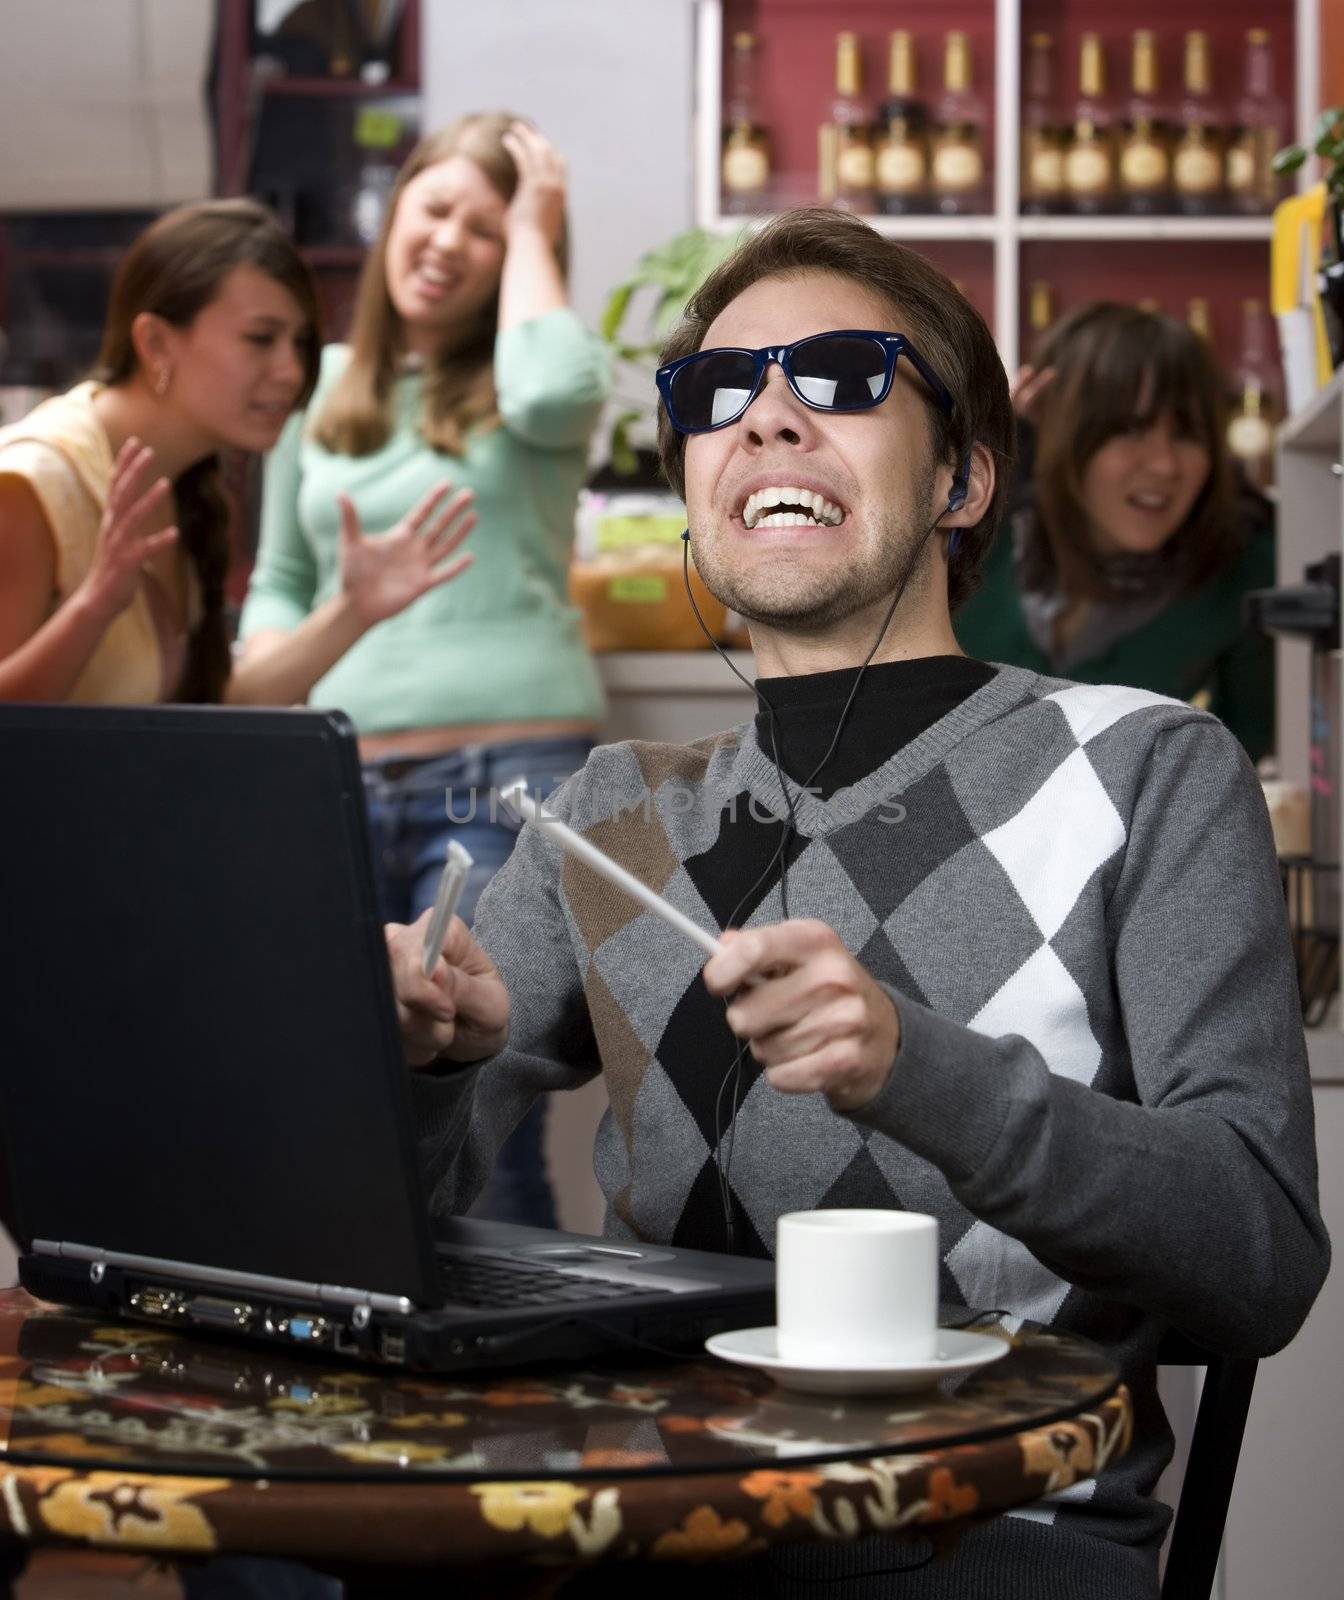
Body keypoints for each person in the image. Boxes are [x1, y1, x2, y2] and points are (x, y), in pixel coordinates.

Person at [383, 208, 1328, 1599]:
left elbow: (1257, 1257)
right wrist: (415, 1069)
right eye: (716, 392)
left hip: (988, 1534)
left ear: (959, 479)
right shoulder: (613, 813)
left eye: (837, 376)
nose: (764, 419)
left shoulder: (1144, 769)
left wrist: (918, 1071)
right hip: (640, 1528)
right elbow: (392, 1235)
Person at [236, 114, 608, 1229]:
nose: (447, 239)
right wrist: (268, 660)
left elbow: (552, 392)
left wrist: (541, 215)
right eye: (433, 206)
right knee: (340, 1103)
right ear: (392, 213)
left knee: (479, 1103)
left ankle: (515, 1392)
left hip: (500, 780)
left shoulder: (530, 377)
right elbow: (280, 574)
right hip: (338, 779)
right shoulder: (329, 384)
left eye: (487, 230)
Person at [0, 199, 475, 709]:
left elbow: (219, 715)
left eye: (300, 342)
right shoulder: (34, 480)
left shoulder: (182, 486)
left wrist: (352, 611)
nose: (291, 371)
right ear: (155, 342)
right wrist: (93, 609)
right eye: (260, 338)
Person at [955, 301, 1276, 762]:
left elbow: (1242, 759)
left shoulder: (1241, 570)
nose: (1165, 464)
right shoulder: (970, 537)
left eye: (1188, 434)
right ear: (1062, 431)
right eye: (1129, 430)